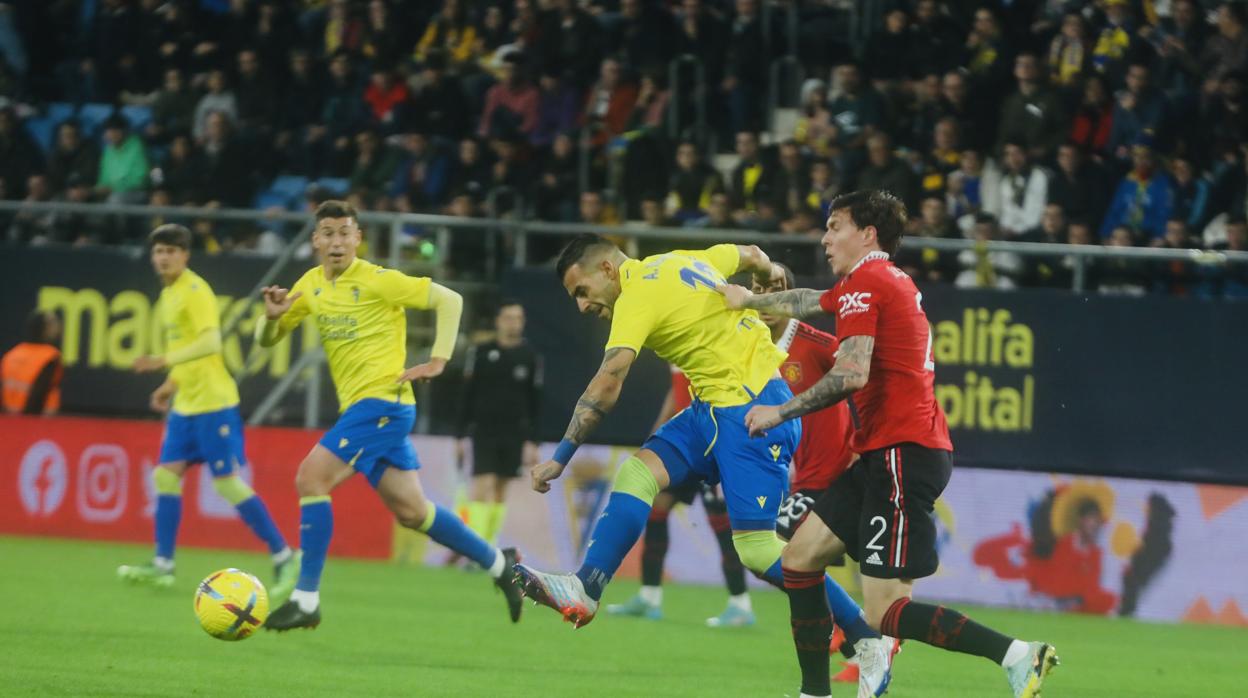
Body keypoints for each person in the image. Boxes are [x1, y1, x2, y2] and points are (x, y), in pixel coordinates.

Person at [512, 235, 896, 696]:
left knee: (757, 549)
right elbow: (752, 253)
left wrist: (561, 457)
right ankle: (586, 588)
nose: (581, 305)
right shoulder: (681, 259)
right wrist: (766, 277)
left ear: (608, 270)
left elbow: (608, 383)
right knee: (638, 472)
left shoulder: (636, 297)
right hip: (710, 410)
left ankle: (866, 637)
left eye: (581, 291)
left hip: (752, 410)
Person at [721, 190, 1058, 698]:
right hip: (889, 451)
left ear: (868, 233)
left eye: (835, 226)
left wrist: (779, 411)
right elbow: (810, 300)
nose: (825, 237)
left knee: (885, 612)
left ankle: (1016, 655)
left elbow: (852, 373)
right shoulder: (876, 281)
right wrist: (750, 300)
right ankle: (814, 692)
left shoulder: (868, 282)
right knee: (799, 559)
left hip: (902, 454)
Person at [256, 201, 523, 631]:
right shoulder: (310, 285)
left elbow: (449, 300)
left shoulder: (380, 280)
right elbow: (268, 338)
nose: (337, 242)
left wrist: (439, 358)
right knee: (413, 512)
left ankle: (306, 599)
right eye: (328, 233)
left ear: (359, 239)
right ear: (315, 241)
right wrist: (270, 319)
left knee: (311, 478)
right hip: (370, 411)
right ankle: (499, 564)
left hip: (382, 404)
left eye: (346, 232)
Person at [117, 225, 296, 597]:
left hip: (214, 403)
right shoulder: (168, 295)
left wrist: (162, 361)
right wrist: (170, 384)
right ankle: (163, 565)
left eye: (170, 251)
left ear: (185, 255)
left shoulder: (195, 291)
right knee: (166, 478)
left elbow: (211, 342)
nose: (163, 257)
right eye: (158, 251)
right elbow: (188, 349)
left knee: (228, 483)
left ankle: (283, 555)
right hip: (186, 405)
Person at [606, 363, 756, 628]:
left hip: (713, 445)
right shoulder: (678, 350)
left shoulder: (711, 342)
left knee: (721, 525)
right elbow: (676, 392)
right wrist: (657, 433)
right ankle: (649, 596)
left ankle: (741, 604)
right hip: (685, 445)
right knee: (657, 507)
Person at [455, 300, 543, 545]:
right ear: (498, 321)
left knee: (500, 490)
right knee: (483, 484)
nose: (513, 323)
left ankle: (489, 547)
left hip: (514, 432)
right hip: (483, 430)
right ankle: (476, 549)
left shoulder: (530, 357)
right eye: (508, 317)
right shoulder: (481, 353)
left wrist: (533, 441)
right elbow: (466, 395)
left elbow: (536, 401)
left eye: (518, 318)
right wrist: (460, 435)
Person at [1, 311, 63, 415]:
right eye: (53, 324)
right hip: (37, 421)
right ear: (45, 329)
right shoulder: (49, 356)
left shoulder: (12, 354)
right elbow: (39, 393)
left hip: (8, 418)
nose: (58, 328)